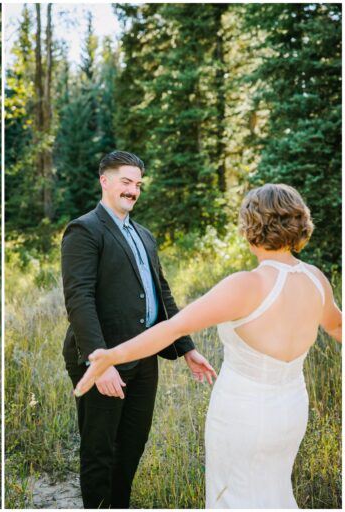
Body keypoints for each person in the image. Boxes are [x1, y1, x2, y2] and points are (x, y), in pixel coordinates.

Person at [75, 183, 342, 508]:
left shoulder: (247, 285)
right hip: (292, 411)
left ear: (250, 224)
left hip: (242, 415)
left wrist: (113, 354)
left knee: (234, 497)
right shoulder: (316, 280)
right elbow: (338, 326)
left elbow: (172, 328)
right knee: (274, 491)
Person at [60, 150, 218, 508]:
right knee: (100, 451)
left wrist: (187, 347)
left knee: (131, 445)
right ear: (105, 181)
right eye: (126, 182)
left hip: (145, 356)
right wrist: (100, 363)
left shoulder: (144, 235)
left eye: (138, 185)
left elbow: (161, 294)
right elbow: (79, 300)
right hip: (102, 359)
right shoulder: (84, 230)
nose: (133, 191)